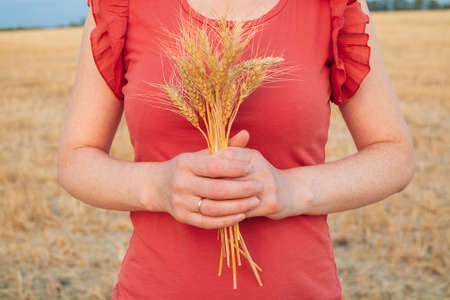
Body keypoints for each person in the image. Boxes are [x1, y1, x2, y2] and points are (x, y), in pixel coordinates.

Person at [57, 0, 415, 299]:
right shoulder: (123, 5)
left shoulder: (331, 5)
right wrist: (158, 186)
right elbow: (76, 160)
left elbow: (394, 154)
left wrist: (287, 190)